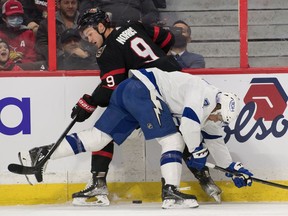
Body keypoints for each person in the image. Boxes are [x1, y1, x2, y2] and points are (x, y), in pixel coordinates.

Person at [18, 67, 253, 209]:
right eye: (218, 116)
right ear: (219, 104)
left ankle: (41, 154)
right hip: (143, 91)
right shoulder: (202, 92)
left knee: (99, 138)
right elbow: (190, 127)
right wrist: (198, 152)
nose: (215, 120)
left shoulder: (212, 113)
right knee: (173, 140)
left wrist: (233, 168)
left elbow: (215, 141)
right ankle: (171, 192)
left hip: (127, 90)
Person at [78, 0, 160, 26]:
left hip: (134, 31)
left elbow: (153, 13)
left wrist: (140, 23)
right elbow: (84, 14)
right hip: (104, 31)